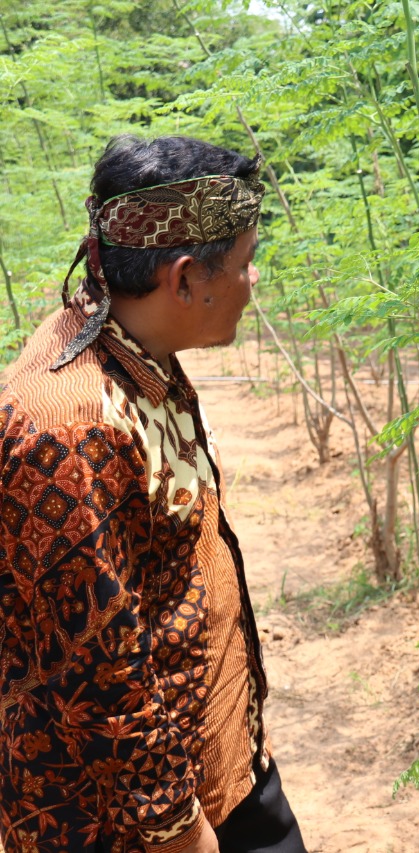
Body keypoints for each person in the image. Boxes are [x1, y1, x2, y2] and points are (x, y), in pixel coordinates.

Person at [0, 136, 306, 852]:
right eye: (242, 262)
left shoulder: (134, 349)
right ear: (184, 277)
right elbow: (97, 678)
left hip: (221, 761)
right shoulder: (67, 426)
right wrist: (176, 829)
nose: (252, 279)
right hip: (128, 824)